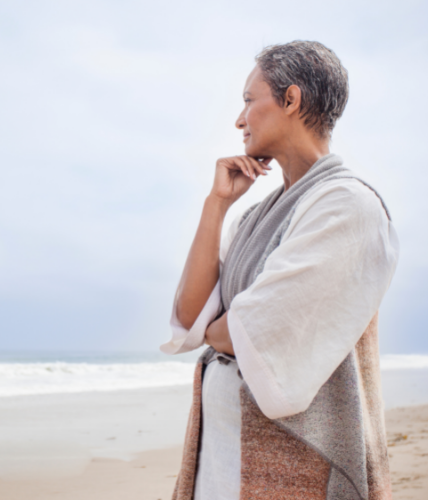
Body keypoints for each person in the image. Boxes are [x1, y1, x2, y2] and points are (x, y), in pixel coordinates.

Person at [161, 40, 399, 500]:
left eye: (249, 100)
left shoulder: (348, 206)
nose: (239, 119)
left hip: (295, 466)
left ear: (291, 100)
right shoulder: (254, 217)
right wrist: (218, 205)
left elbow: (255, 329)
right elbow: (191, 316)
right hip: (220, 458)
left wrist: (218, 327)